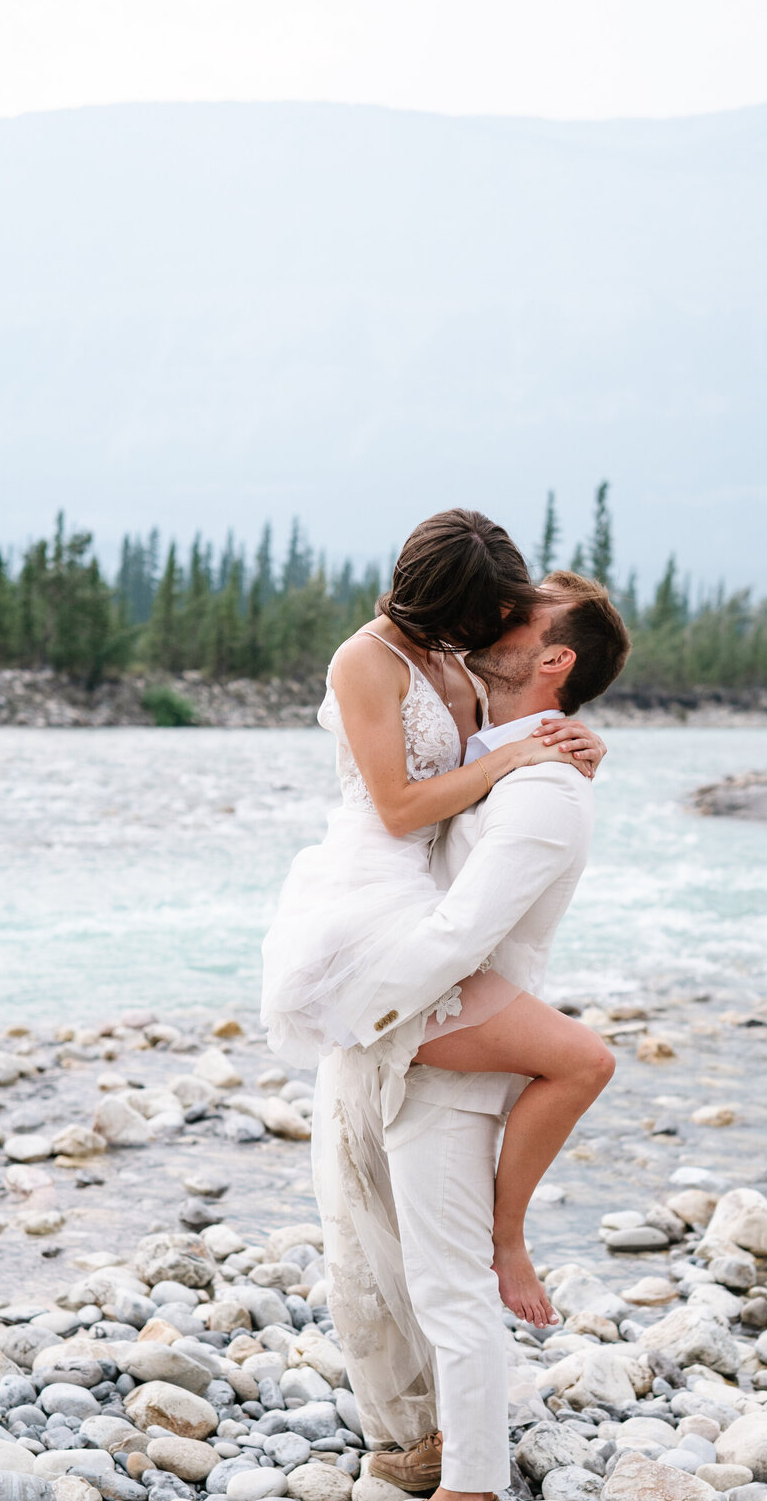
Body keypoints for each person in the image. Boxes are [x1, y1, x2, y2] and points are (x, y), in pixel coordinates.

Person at [313, 571, 631, 1501]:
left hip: (452, 1047)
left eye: (520, 612)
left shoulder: (542, 795)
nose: (492, 616)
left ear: (555, 660)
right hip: (425, 1032)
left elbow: (459, 935)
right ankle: (446, 1438)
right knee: (396, 1260)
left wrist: (352, 1005)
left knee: (451, 1282)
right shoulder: (497, 747)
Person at [261, 511, 612, 1327]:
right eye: (489, 609)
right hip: (374, 887)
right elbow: (396, 807)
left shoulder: (452, 650)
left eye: (508, 611)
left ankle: (483, 1264)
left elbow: (524, 704)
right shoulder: (363, 659)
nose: (496, 624)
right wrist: (511, 759)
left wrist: (574, 749)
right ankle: (492, 1254)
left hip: (428, 882)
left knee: (415, 1187)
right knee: (572, 1059)